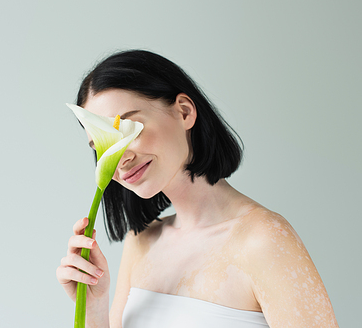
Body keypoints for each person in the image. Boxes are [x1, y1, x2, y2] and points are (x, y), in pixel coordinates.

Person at [56, 50, 338, 328]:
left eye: (129, 128)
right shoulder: (141, 241)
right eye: (102, 147)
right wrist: (93, 307)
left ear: (184, 111)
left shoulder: (263, 240)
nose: (121, 158)